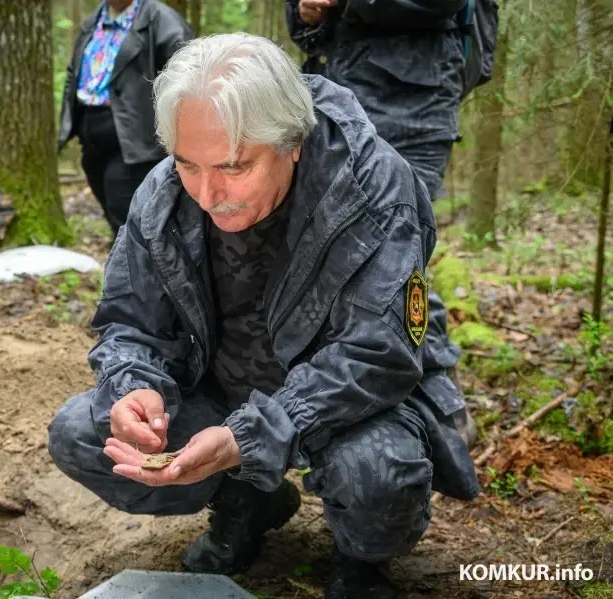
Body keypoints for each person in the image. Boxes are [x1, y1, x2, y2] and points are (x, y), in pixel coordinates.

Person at [47, 33, 480, 599]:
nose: (208, 192)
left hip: (350, 402)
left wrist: (251, 436)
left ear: (293, 142)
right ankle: (246, 501)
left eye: (234, 166)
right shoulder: (164, 193)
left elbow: (378, 356)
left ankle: (359, 559)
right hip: (225, 386)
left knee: (377, 471)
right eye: (187, 164)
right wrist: (136, 385)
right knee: (84, 432)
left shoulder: (373, 191)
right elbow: (130, 320)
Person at [285, 0, 478, 444]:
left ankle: (444, 408)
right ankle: (364, 404)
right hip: (336, 94)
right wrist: (305, 13)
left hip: (416, 101)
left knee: (400, 251)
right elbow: (302, 25)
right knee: (345, 251)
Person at [58, 0, 193, 238]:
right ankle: (126, 265)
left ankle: (137, 270)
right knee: (114, 213)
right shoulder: (93, 21)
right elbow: (74, 71)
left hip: (135, 141)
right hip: (90, 133)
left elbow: (187, 75)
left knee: (129, 214)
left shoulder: (161, 20)